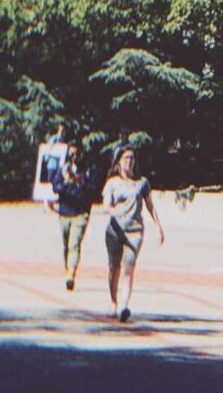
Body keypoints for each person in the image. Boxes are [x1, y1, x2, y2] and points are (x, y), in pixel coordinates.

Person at [99, 143, 164, 320]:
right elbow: (106, 204)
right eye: (126, 158)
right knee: (114, 267)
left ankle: (124, 305)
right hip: (115, 230)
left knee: (129, 267)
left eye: (132, 158)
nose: (129, 162)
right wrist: (112, 210)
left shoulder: (142, 183)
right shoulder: (112, 183)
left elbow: (150, 205)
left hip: (134, 231)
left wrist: (158, 226)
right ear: (118, 162)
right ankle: (113, 301)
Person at [52, 135, 100, 292]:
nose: (74, 157)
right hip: (65, 212)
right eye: (71, 153)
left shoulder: (88, 171)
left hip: (81, 213)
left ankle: (71, 275)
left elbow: (94, 191)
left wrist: (79, 182)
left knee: (74, 244)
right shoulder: (64, 169)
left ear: (82, 154)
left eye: (76, 153)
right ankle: (68, 270)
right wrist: (70, 187)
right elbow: (56, 186)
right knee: (66, 246)